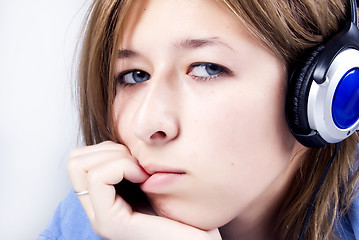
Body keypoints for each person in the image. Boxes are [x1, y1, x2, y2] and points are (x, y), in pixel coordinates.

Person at [39, 0, 359, 239]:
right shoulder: (91, 218)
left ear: (326, 95)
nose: (146, 123)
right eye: (135, 76)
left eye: (207, 68)